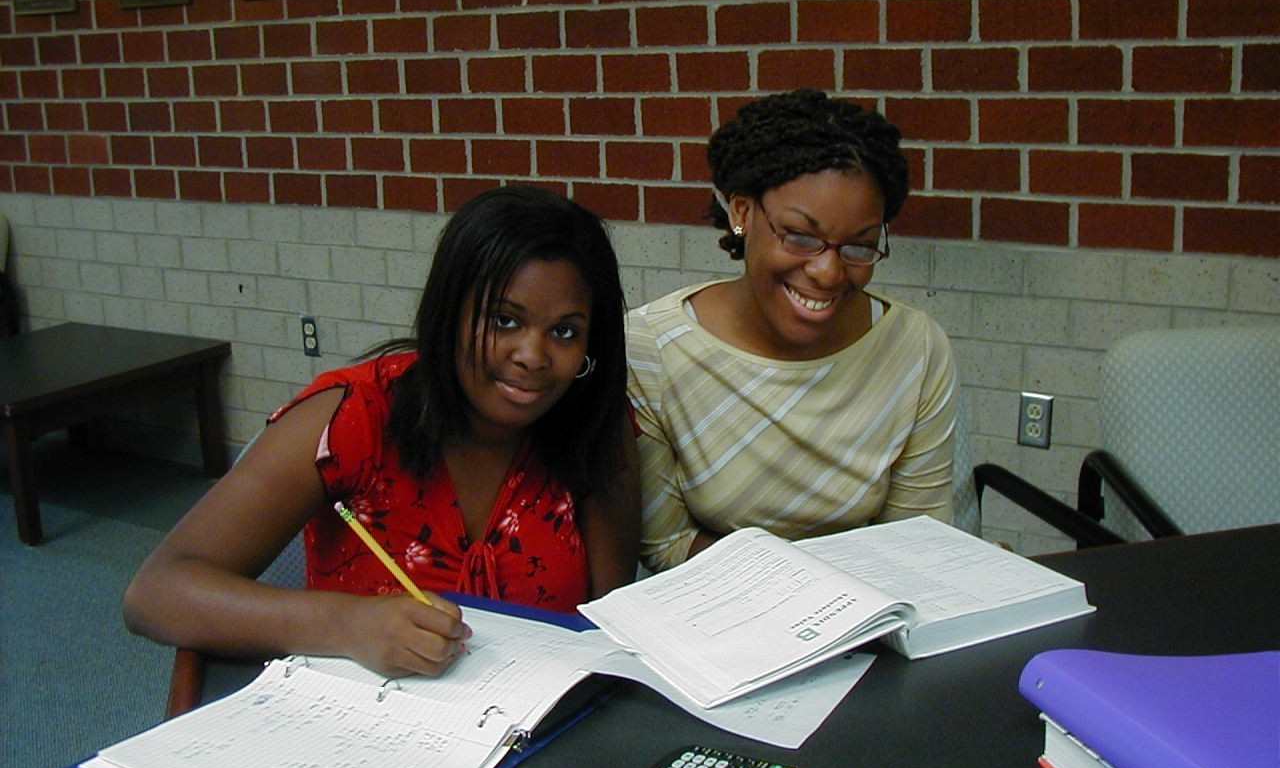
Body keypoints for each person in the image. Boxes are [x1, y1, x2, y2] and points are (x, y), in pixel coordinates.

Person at [124, 185, 639, 678]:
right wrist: (345, 624)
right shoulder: (357, 417)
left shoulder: (592, 418)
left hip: (530, 729)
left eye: (565, 331)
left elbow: (606, 623)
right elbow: (156, 593)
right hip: (369, 732)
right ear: (448, 313)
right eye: (504, 321)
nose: (532, 356)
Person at [627, 89, 956, 572]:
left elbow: (917, 543)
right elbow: (668, 545)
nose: (827, 272)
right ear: (742, 212)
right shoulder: (650, 349)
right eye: (801, 237)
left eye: (860, 246)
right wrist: (803, 592)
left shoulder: (915, 349)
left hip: (872, 621)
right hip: (717, 615)